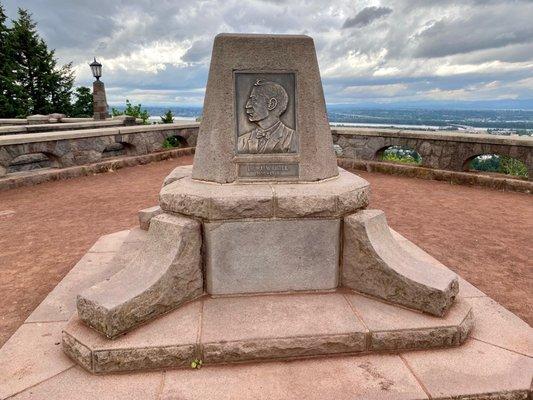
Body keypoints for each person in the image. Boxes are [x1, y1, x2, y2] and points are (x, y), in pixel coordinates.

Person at [238, 80, 296, 154]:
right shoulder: (241, 141)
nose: (247, 106)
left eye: (254, 100)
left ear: (271, 104)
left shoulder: (293, 138)